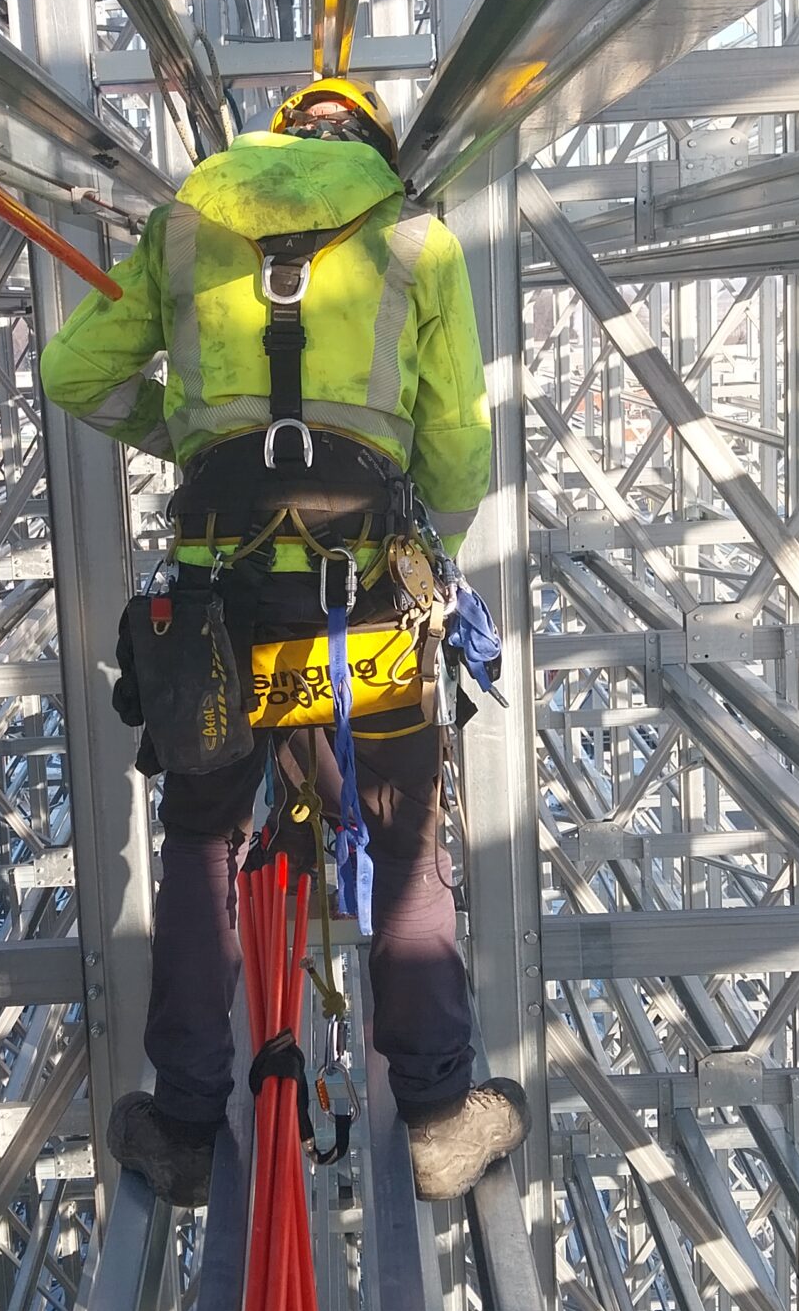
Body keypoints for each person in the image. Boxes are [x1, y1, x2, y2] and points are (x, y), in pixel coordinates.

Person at [39, 77, 528, 1208]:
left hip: (221, 599)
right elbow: (458, 444)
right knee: (407, 850)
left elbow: (73, 373)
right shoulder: (419, 237)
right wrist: (427, 550)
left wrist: (192, 441)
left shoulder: (184, 226)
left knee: (206, 841)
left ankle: (184, 1125)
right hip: (367, 595)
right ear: (370, 144)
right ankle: (443, 1117)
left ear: (277, 139)